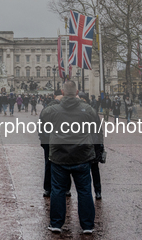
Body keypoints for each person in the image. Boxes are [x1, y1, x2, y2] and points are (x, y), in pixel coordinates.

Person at [40, 80, 101, 234]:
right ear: (77, 92)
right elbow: (97, 132)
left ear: (61, 92)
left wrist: (47, 145)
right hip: (82, 155)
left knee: (58, 190)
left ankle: (56, 223)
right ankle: (87, 225)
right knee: (85, 191)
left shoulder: (52, 110)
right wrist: (97, 151)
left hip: (59, 156)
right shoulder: (88, 109)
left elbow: (42, 126)